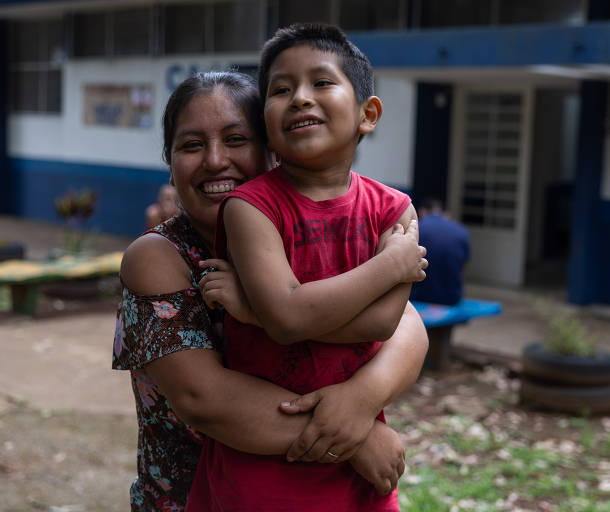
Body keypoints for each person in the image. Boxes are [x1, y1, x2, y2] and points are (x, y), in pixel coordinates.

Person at [112, 71, 429, 511]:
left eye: (237, 139)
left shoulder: (304, 231)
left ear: (274, 151)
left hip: (319, 493)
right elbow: (206, 399)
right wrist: (358, 438)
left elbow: (405, 325)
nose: (215, 160)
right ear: (170, 162)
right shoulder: (159, 257)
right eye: (191, 145)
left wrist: (362, 398)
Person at [187, 24, 426, 511]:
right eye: (280, 89)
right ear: (267, 124)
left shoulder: (393, 209)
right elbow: (291, 317)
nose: (300, 98)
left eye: (321, 83)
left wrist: (259, 314)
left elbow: (383, 323)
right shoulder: (250, 207)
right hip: (262, 471)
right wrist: (391, 265)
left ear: (368, 113)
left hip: (358, 463)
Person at [409, 198, 470, 305]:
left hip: (417, 296)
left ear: (422, 212)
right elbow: (463, 264)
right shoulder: (462, 231)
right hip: (451, 298)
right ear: (446, 215)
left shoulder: (415, 229)